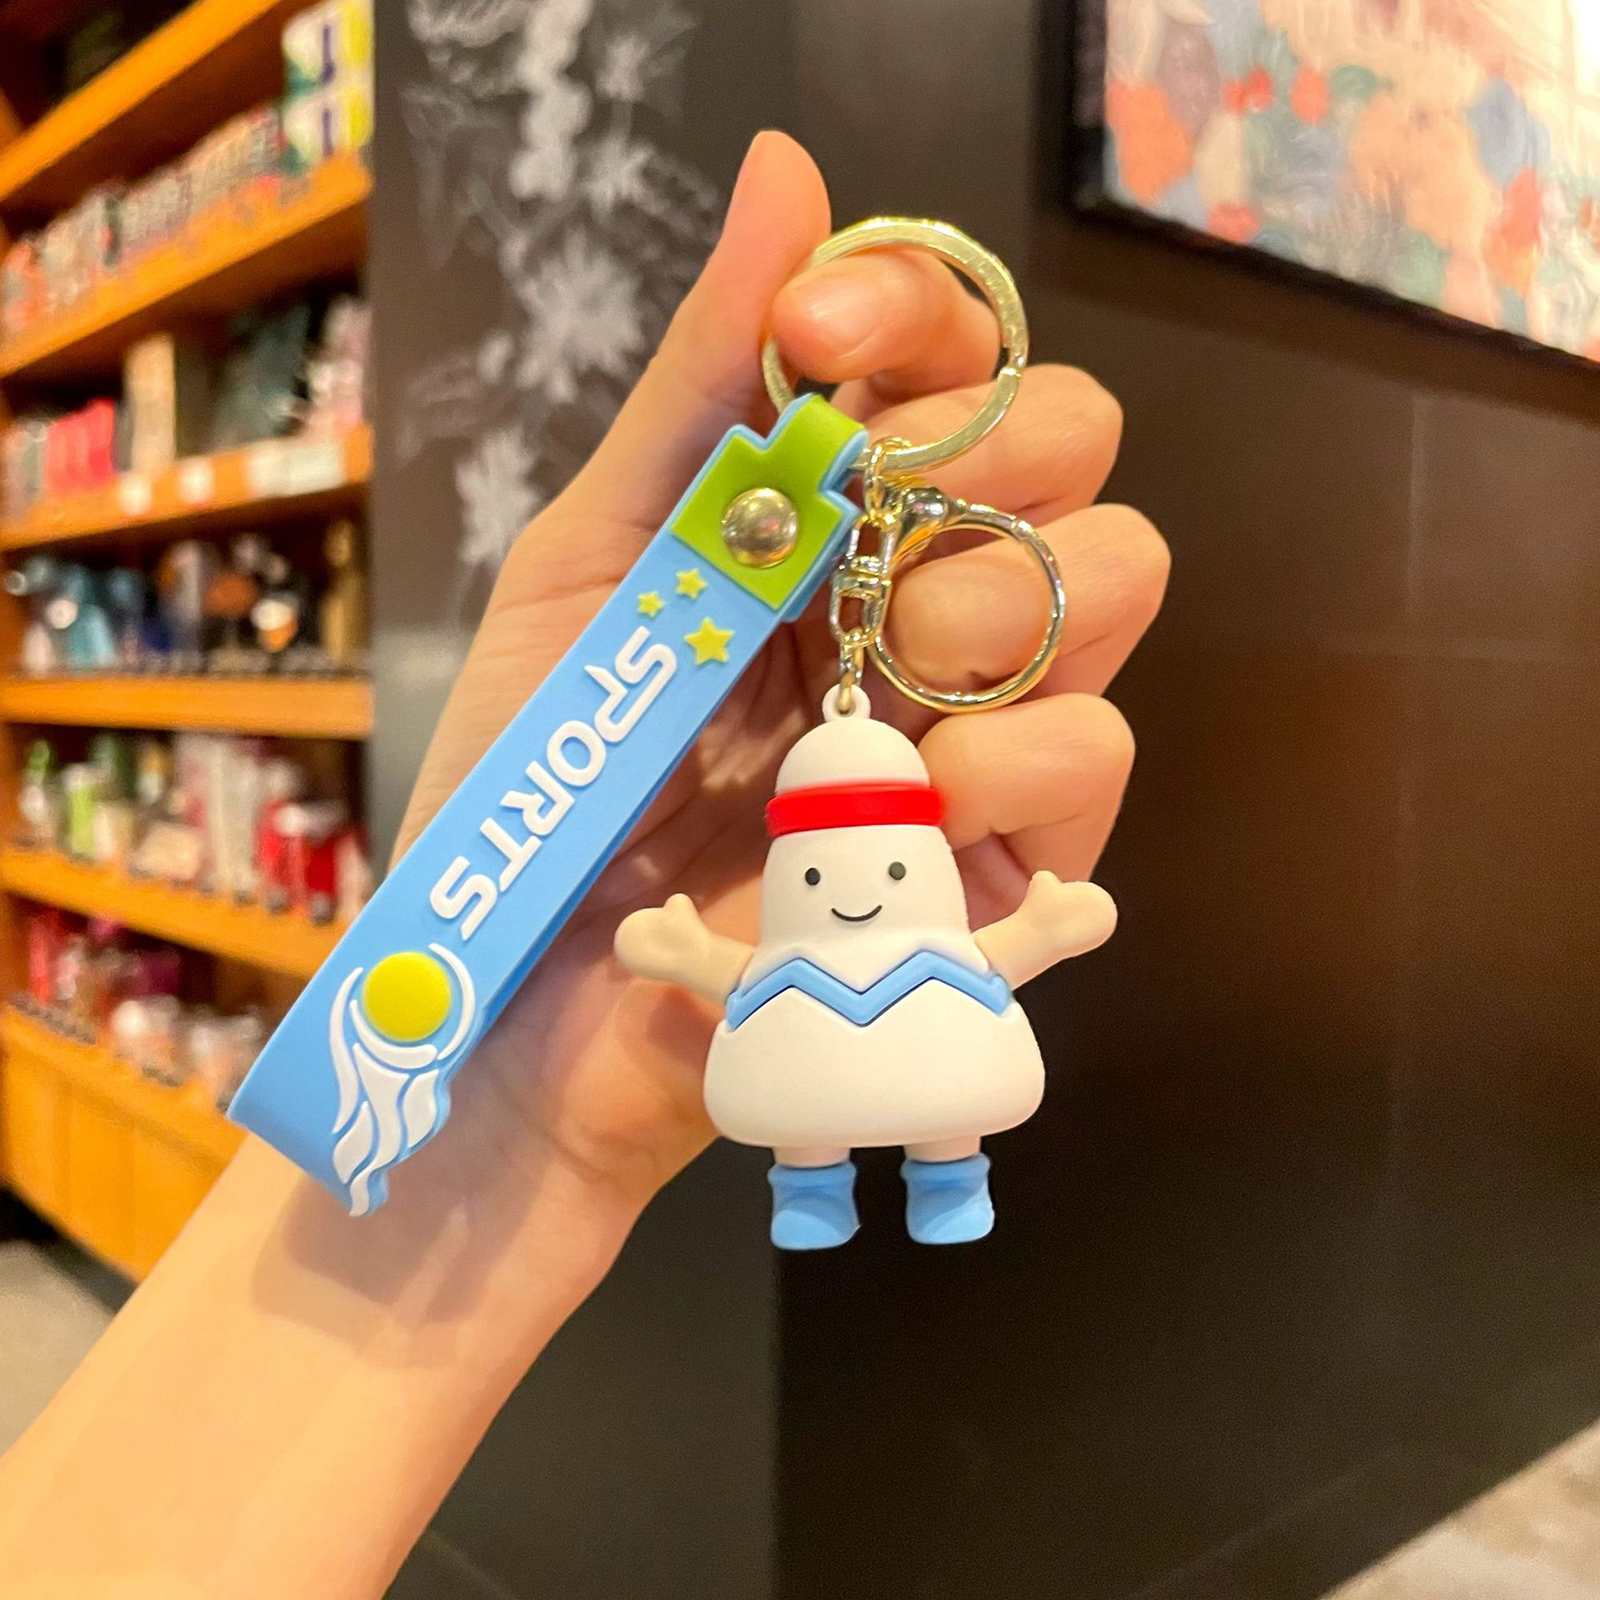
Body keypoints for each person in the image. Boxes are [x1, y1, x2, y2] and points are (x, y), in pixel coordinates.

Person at [0, 132, 1168, 1597]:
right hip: (598, 1035)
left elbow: (970, 944)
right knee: (847, 1136)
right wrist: (544, 1073)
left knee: (928, 1124)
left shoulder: (870, 892)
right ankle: (852, 1183)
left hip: (787, 1042)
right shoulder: (791, 907)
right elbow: (747, 960)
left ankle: (939, 1176)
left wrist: (1040, 926)